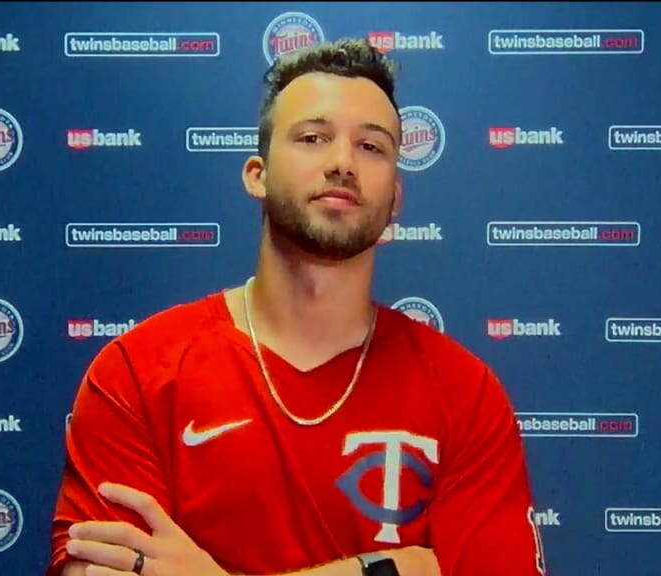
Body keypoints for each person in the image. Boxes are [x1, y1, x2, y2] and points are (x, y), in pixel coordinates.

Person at [47, 38, 548, 576]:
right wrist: (392, 569)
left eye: (372, 147)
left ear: (396, 198)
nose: (342, 163)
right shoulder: (138, 372)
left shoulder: (464, 394)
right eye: (313, 138)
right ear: (256, 175)